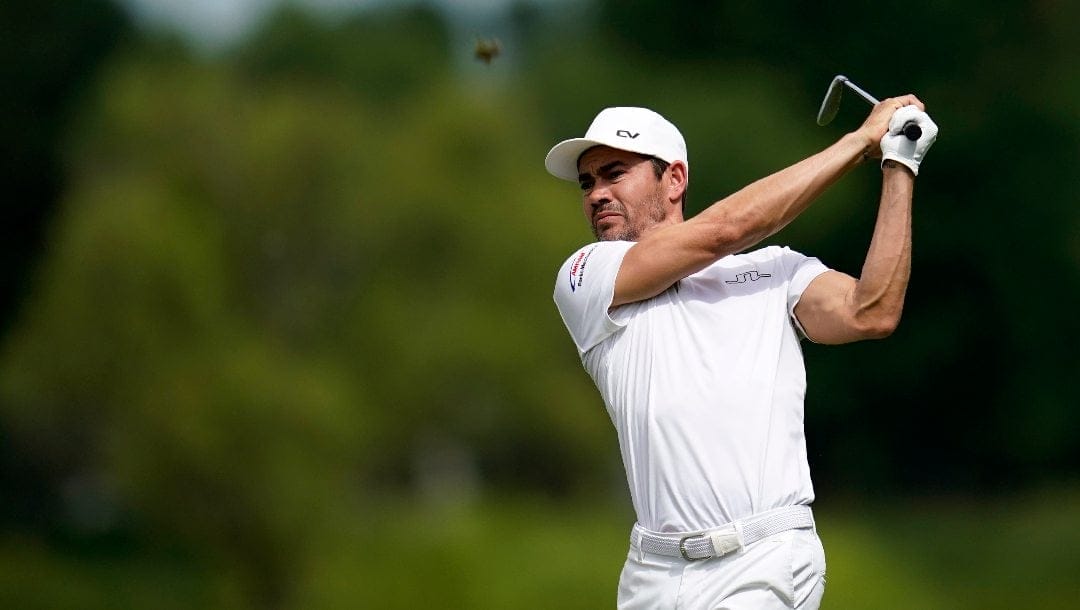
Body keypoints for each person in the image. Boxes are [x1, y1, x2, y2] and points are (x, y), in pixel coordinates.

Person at [546, 101, 938, 609]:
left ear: (674, 179)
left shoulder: (777, 271)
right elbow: (724, 232)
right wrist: (859, 141)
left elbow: (872, 311)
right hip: (651, 573)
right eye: (587, 183)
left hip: (764, 556)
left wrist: (898, 164)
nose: (597, 194)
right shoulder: (587, 276)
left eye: (614, 174)